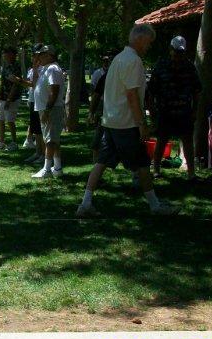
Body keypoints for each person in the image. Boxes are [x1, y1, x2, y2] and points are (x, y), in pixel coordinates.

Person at [76, 25, 178, 217]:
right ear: (140, 39)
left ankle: (85, 203)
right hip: (126, 123)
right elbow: (132, 95)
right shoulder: (133, 61)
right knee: (141, 164)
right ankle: (155, 206)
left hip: (111, 121)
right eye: (149, 42)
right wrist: (142, 124)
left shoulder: (118, 59)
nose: (149, 47)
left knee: (102, 162)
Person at [148, 36, 201, 181]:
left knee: (188, 142)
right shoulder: (161, 66)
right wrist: (152, 110)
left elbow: (196, 91)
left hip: (184, 111)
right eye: (176, 51)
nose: (178, 55)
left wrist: (195, 110)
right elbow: (151, 91)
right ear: (170, 50)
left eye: (181, 52)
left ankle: (191, 173)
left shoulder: (190, 67)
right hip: (165, 111)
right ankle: (156, 169)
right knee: (162, 140)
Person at [32, 46, 68, 179]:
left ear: (50, 55)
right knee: (53, 139)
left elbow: (55, 91)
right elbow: (35, 84)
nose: (38, 58)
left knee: (50, 141)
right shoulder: (46, 69)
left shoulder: (53, 69)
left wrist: (47, 110)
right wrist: (36, 68)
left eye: (41, 55)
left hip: (51, 109)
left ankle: (47, 169)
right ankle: (57, 168)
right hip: (46, 108)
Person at [0, 47, 22, 151]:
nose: (5, 56)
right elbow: (3, 83)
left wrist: (9, 99)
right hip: (4, 97)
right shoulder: (5, 66)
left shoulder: (16, 67)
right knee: (0, 119)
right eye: (4, 54)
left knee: (10, 120)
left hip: (12, 98)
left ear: (13, 54)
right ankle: (1, 142)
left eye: (7, 54)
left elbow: (16, 84)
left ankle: (14, 142)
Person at [89, 52, 116, 163]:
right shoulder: (102, 75)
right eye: (106, 60)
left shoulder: (117, 74)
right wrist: (91, 111)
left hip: (116, 109)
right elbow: (96, 93)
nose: (107, 62)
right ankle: (96, 160)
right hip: (104, 106)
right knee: (100, 132)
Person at [22, 46, 46, 164]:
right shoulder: (32, 69)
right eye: (33, 55)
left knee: (42, 130)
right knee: (36, 129)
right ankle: (38, 152)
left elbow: (35, 84)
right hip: (33, 100)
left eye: (37, 55)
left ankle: (44, 154)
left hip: (41, 102)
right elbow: (30, 84)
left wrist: (19, 81)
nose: (34, 57)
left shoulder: (45, 69)